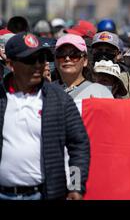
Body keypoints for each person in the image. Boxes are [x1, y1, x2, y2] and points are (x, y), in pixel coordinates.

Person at [0, 32, 90, 200]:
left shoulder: (59, 99)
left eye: (41, 59)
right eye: (29, 60)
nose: (38, 65)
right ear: (11, 64)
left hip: (44, 194)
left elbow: (78, 145)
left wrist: (75, 186)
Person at [54, 34, 113, 113]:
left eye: (74, 54)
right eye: (61, 54)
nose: (67, 58)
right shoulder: (45, 92)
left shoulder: (101, 92)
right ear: (55, 60)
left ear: (85, 60)